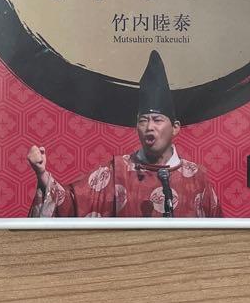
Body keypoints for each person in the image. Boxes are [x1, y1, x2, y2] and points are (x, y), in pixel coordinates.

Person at [27, 50, 222, 219]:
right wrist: (42, 175)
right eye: (143, 120)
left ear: (175, 127)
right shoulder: (117, 172)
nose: (149, 127)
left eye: (157, 120)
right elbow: (71, 203)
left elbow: (218, 235)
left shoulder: (196, 178)